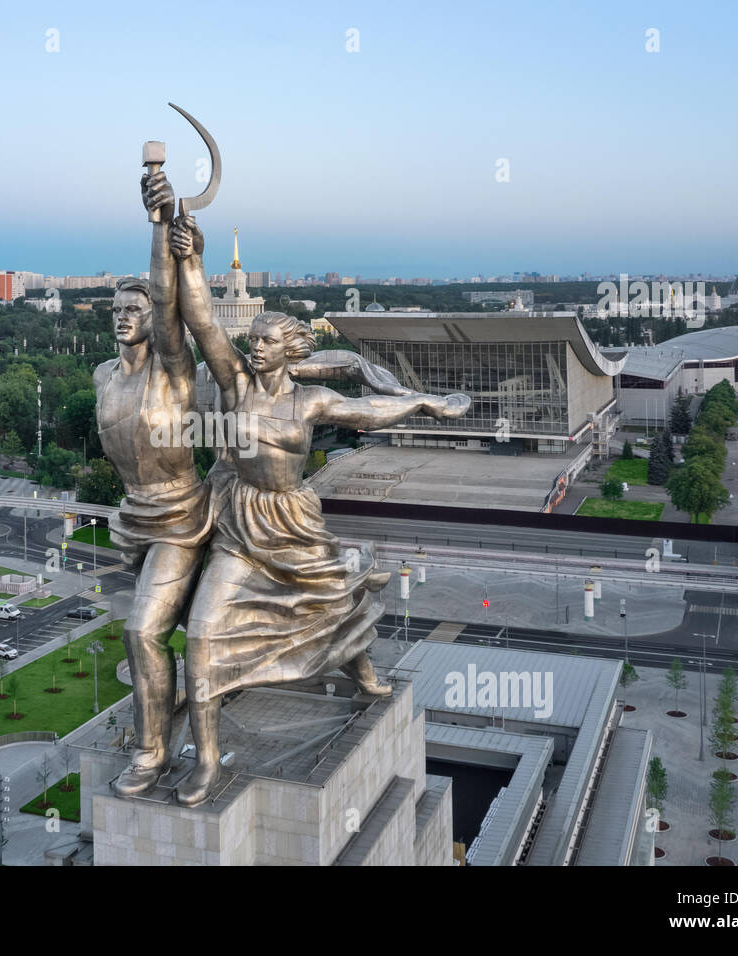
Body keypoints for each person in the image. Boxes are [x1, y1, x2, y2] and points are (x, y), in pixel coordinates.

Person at [169, 213, 469, 806]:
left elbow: (370, 412)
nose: (252, 348)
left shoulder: (311, 400)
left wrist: (428, 404)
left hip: (293, 519)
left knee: (336, 598)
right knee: (202, 637)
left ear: (289, 350)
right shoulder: (234, 384)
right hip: (241, 521)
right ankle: (205, 762)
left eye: (264, 341)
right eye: (250, 339)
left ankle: (364, 675)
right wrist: (191, 259)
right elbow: (202, 320)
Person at [93, 170, 213, 796]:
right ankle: (171, 718)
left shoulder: (173, 369)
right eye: (115, 309)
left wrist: (161, 224)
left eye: (133, 309)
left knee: (144, 631)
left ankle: (153, 752)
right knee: (161, 637)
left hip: (180, 517)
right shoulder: (101, 378)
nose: (123, 317)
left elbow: (171, 307)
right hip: (134, 519)